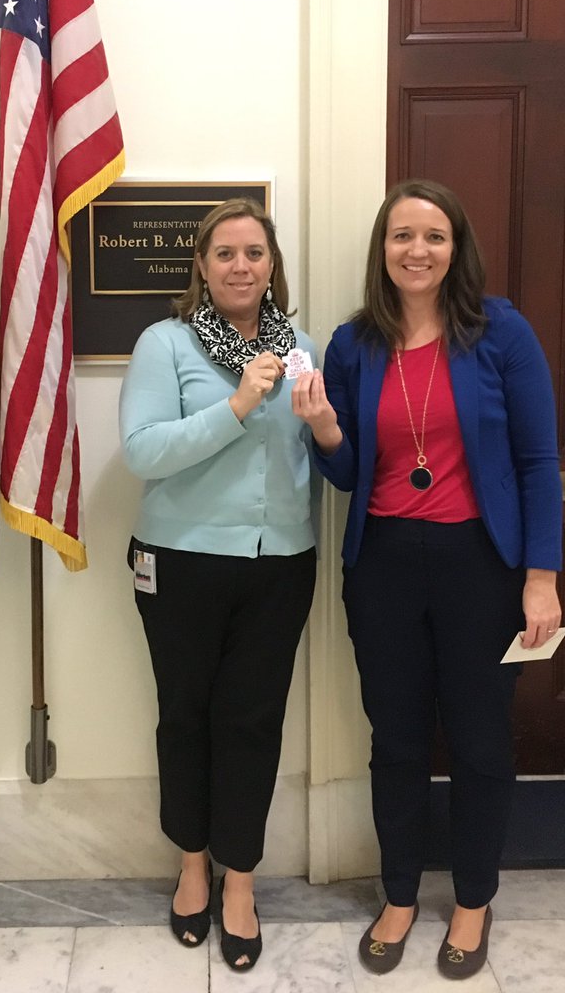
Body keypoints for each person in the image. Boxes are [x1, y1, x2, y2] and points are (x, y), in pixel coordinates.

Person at [293, 179, 562, 979]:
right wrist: (323, 427)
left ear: (456, 249)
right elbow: (344, 472)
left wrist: (541, 577)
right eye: (402, 235)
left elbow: (539, 462)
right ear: (382, 248)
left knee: (480, 742)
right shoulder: (352, 344)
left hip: (480, 565)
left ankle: (474, 900)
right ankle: (401, 894)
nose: (417, 250)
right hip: (383, 569)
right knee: (396, 741)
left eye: (434, 236)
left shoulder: (500, 333)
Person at [119, 199, 319, 972]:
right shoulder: (164, 344)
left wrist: (325, 423)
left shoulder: (299, 345)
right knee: (186, 717)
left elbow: (308, 452)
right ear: (200, 266)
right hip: (179, 562)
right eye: (226, 253)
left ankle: (241, 878)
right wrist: (237, 405)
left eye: (255, 253)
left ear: (273, 265)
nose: (242, 266)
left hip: (279, 564)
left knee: (253, 722)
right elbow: (142, 452)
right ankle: (192, 863)